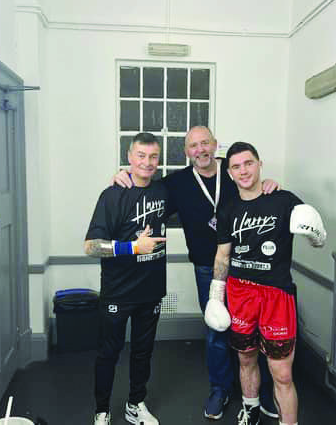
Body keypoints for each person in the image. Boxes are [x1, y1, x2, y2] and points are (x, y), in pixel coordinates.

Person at [113, 126, 279, 419]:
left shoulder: (232, 172)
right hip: (207, 268)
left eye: (205, 143)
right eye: (193, 146)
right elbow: (145, 190)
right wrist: (122, 177)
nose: (200, 150)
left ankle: (262, 390)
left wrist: (269, 186)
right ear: (186, 152)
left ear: (215, 145)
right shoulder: (176, 183)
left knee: (252, 327)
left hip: (244, 265)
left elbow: (255, 191)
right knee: (216, 329)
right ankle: (221, 388)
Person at [204, 142, 327, 425]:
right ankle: (251, 406)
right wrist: (215, 295)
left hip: (276, 295)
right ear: (230, 173)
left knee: (282, 372)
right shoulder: (227, 209)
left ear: (260, 164)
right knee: (246, 359)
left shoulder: (284, 200)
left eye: (248, 163)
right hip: (240, 292)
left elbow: (318, 240)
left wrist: (317, 232)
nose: (243, 170)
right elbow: (223, 255)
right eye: (236, 166)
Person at [85, 132, 168, 425]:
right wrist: (133, 247)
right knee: (108, 353)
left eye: (153, 156)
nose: (147, 163)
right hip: (118, 292)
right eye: (141, 156)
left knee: (143, 353)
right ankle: (102, 410)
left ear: (159, 159)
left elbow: (206, 170)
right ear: (129, 157)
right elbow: (91, 246)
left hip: (151, 290)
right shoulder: (112, 195)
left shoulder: (163, 191)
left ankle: (135, 404)